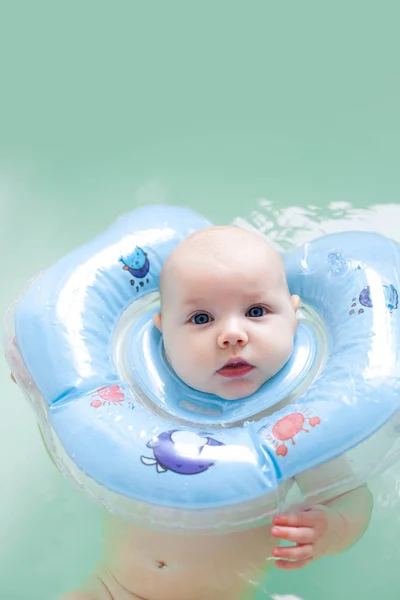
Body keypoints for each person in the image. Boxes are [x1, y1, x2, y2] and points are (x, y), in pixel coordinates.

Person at [12, 226, 373, 600]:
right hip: (111, 587)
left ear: (294, 317)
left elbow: (348, 494)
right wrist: (44, 379)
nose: (232, 334)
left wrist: (333, 528)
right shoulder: (137, 399)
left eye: (256, 311)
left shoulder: (292, 423)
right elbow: (79, 420)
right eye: (201, 319)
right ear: (162, 330)